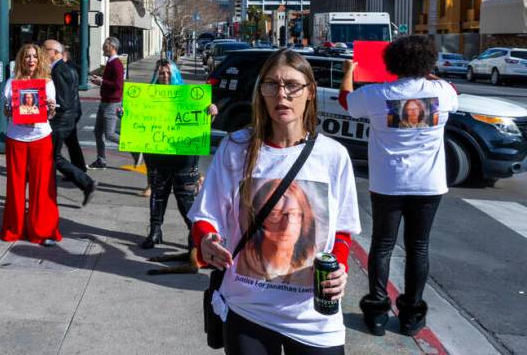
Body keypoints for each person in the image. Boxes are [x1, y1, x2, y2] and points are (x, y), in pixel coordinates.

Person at [190, 50, 360, 354]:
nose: (282, 94)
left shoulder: (333, 156)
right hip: (247, 308)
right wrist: (206, 241)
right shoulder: (236, 147)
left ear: (310, 92)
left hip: (312, 316)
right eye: (271, 85)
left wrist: (339, 269)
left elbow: (343, 230)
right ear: (262, 92)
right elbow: (206, 215)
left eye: (292, 85)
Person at [340, 35, 459, 337]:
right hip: (429, 186)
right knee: (419, 248)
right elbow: (454, 92)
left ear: (391, 62)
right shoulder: (442, 92)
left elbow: (346, 102)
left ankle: (377, 312)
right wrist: (429, 75)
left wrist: (348, 72)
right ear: (429, 62)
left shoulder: (377, 94)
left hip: (388, 183)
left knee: (382, 246)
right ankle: (411, 315)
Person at [138, 59, 216, 249]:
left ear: (174, 74)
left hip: (184, 155)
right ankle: (155, 231)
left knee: (185, 197)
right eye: (161, 73)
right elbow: (138, 119)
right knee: (158, 194)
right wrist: (124, 113)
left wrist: (212, 113)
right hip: (157, 153)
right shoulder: (148, 95)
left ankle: (194, 234)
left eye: (168, 73)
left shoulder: (189, 96)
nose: (165, 77)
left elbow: (202, 123)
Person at [0, 44, 61, 246]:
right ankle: (14, 228)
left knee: (41, 186)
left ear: (39, 59)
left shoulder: (47, 83)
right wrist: (9, 109)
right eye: (27, 57)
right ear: (21, 60)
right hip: (16, 138)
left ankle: (41, 230)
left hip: (41, 138)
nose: (31, 60)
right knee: (15, 186)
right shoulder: (11, 83)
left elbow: (50, 114)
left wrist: (51, 108)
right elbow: (6, 113)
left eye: (34, 56)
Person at [43, 39, 96, 208]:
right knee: (58, 154)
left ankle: (85, 182)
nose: (42, 53)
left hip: (60, 121)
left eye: (45, 50)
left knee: (53, 157)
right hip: (67, 120)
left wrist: (47, 103)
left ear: (56, 53)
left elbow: (64, 101)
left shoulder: (59, 70)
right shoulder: (63, 69)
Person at [88, 37, 124, 170]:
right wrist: (100, 80)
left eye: (105, 45)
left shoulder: (116, 64)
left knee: (109, 134)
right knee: (98, 132)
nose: (103, 47)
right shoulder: (110, 62)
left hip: (112, 103)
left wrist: (102, 82)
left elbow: (118, 85)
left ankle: (134, 148)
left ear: (112, 47)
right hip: (105, 101)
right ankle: (101, 159)